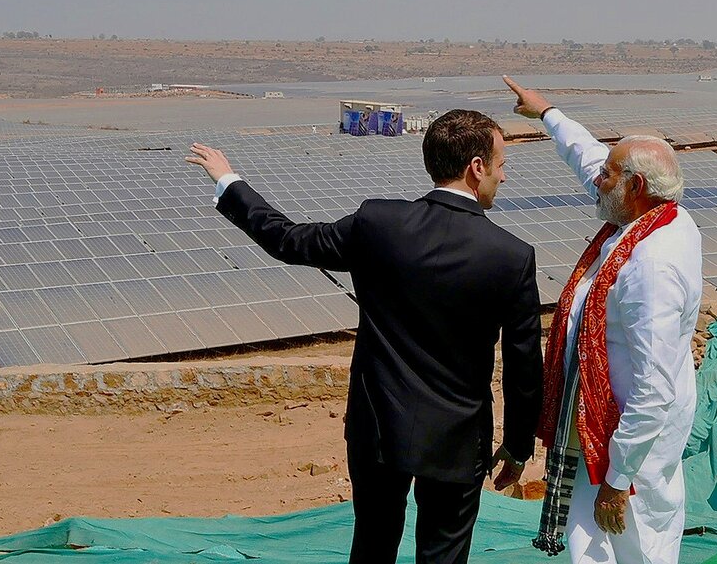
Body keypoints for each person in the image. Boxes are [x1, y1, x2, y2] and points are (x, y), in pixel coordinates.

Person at [185, 109, 543, 564]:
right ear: (477, 167)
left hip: (378, 429)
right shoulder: (512, 256)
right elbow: (524, 364)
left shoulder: (378, 224)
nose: (504, 176)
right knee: (444, 555)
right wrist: (516, 445)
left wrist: (230, 182)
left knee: (372, 546)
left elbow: (288, 240)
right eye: (502, 164)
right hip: (457, 439)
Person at [500, 76, 702, 564]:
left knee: (630, 542)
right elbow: (590, 158)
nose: (597, 178)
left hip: (626, 439)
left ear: (635, 187)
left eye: (608, 176)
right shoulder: (649, 217)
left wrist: (618, 479)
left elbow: (653, 388)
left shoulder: (650, 264)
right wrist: (547, 113)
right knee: (599, 539)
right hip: (602, 426)